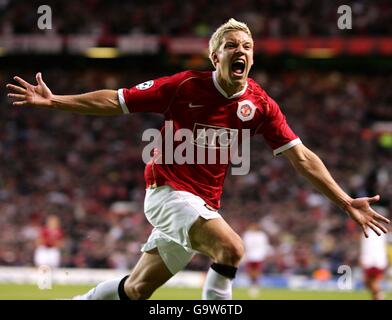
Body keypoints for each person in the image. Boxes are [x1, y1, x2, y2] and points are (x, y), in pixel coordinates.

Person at [6, 18, 390, 300]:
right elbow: (117, 99)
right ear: (215, 55)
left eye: (247, 46)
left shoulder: (260, 105)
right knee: (232, 249)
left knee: (137, 289)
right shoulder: (184, 85)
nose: (241, 51)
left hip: (201, 203)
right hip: (167, 193)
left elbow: (302, 158)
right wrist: (56, 100)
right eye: (232, 45)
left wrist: (344, 200)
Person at [359, 206, 389, 300]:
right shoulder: (378, 231)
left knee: (371, 282)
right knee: (368, 282)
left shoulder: (372, 231)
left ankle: (379, 296)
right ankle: (377, 296)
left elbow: (370, 248)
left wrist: (364, 260)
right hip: (376, 261)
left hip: (373, 261)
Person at [242, 223, 271, 297]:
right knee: (250, 271)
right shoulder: (247, 234)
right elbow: (245, 245)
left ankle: (255, 286)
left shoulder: (261, 235)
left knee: (257, 271)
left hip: (258, 256)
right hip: (249, 256)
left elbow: (264, 245)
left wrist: (264, 254)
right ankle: (252, 285)